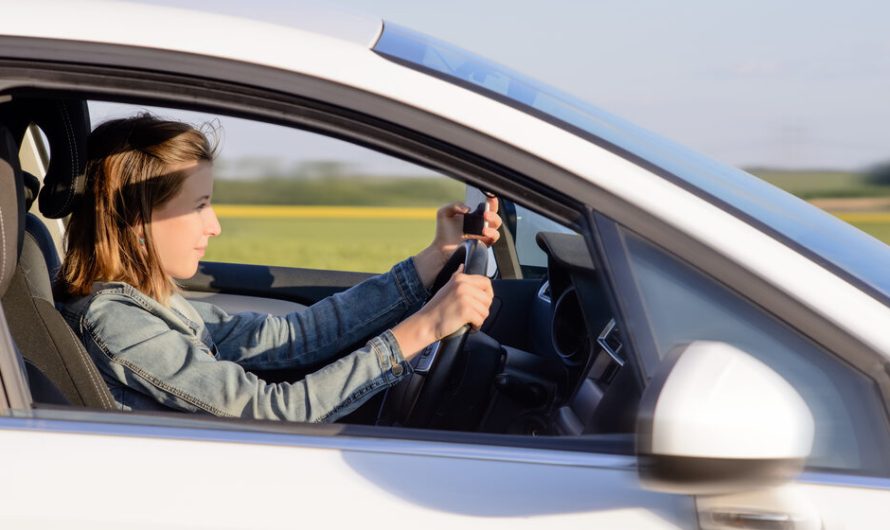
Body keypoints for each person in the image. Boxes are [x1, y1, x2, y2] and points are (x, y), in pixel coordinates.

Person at [59, 113, 501, 423]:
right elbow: (273, 411)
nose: (214, 226)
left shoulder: (149, 300)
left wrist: (434, 257)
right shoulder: (116, 323)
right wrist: (424, 329)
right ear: (140, 219)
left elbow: (292, 336)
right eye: (199, 206)